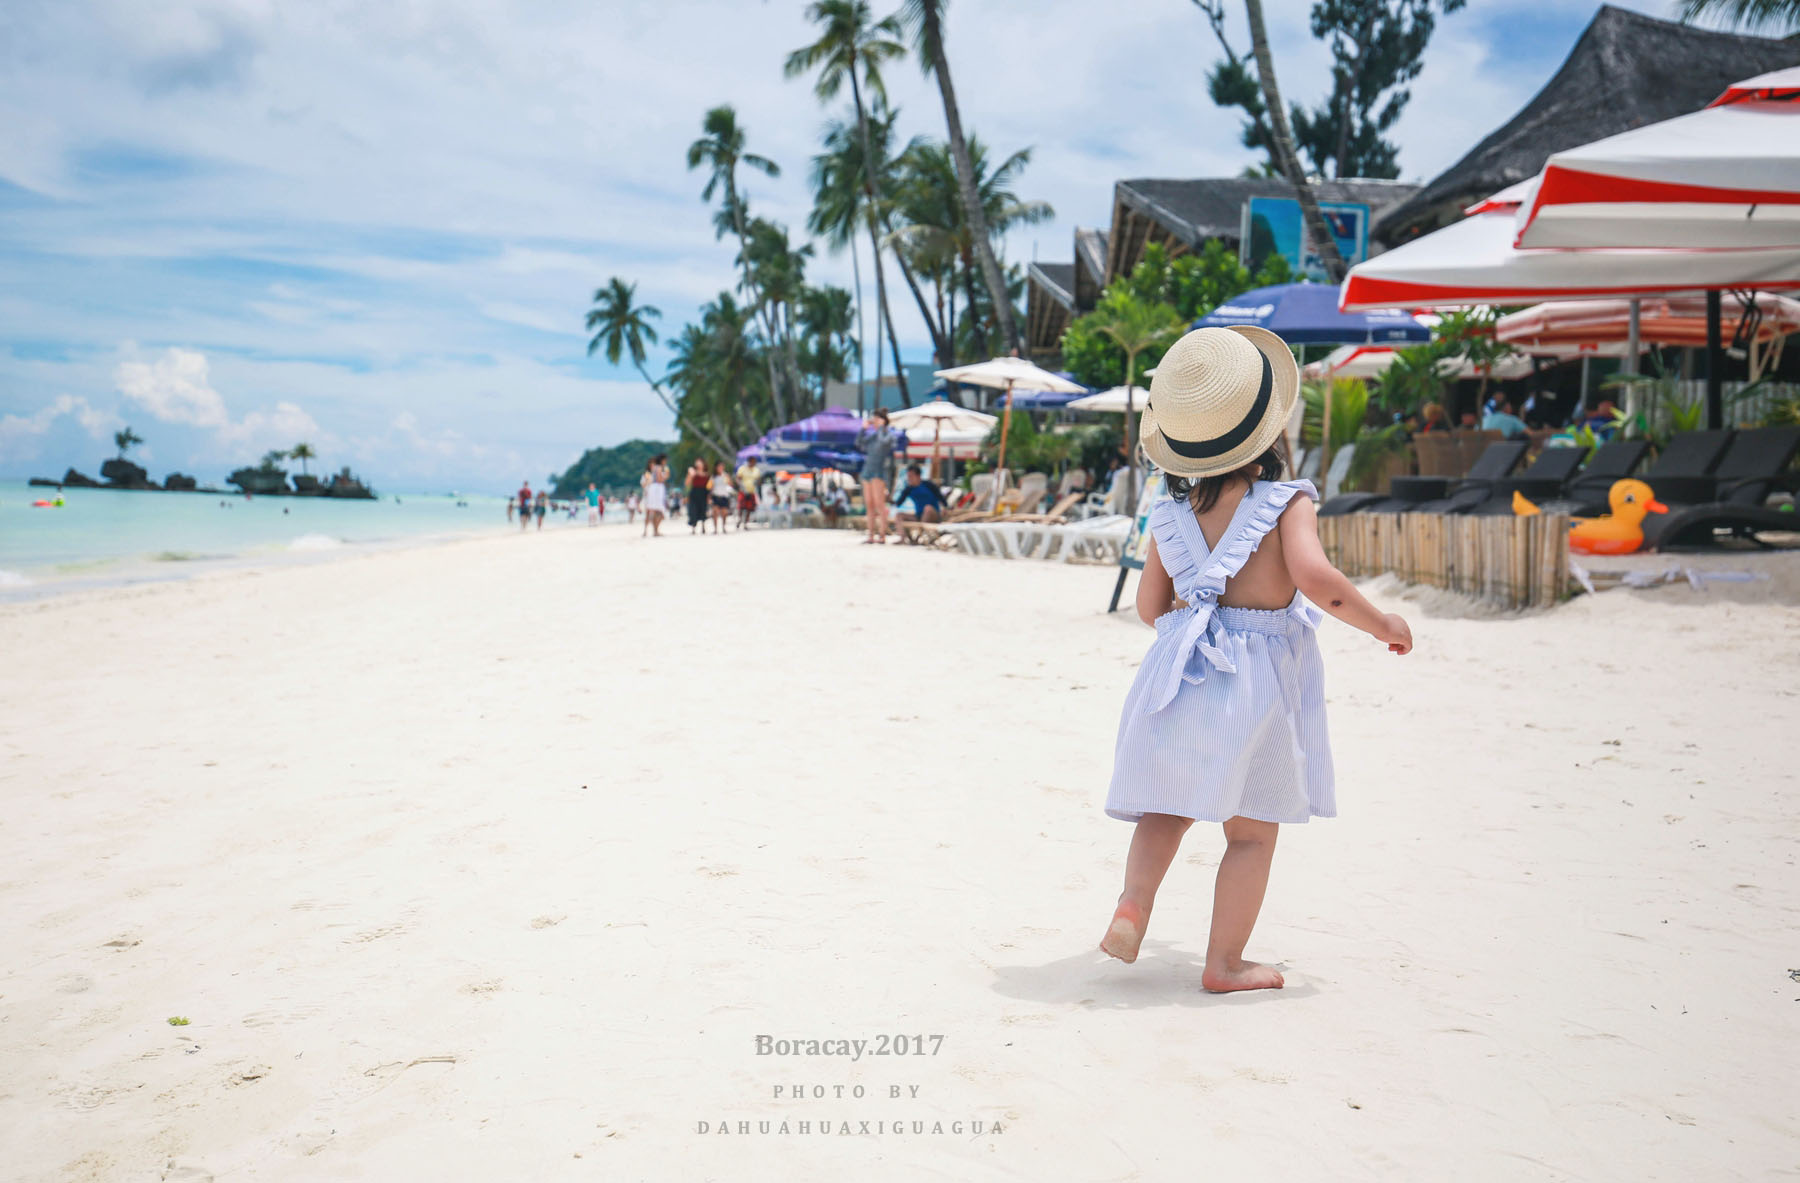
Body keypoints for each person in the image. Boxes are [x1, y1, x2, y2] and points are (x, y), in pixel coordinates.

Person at [1098, 326, 1413, 993]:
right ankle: (1224, 962)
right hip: (1254, 681)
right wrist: (1379, 620)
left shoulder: (1170, 511)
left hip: (1178, 673)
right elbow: (1316, 578)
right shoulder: (1284, 500)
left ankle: (1133, 903)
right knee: (1250, 833)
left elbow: (1151, 608)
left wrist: (1200, 610)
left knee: (1165, 808)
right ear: (1267, 430)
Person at [856, 407, 897, 544]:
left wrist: (880, 427)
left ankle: (882, 535)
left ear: (884, 420)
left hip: (879, 471)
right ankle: (871, 535)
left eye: (877, 418)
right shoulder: (872, 435)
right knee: (869, 504)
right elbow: (859, 443)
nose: (874, 421)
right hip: (867, 470)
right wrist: (863, 429)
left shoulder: (888, 434)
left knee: (879, 504)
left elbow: (883, 444)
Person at [640, 457, 667, 538]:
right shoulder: (646, 474)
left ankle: (655, 530)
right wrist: (648, 481)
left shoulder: (659, 473)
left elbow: (663, 481)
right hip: (648, 496)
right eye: (651, 464)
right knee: (648, 514)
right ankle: (646, 530)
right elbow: (643, 485)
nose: (653, 466)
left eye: (654, 464)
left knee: (659, 514)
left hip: (657, 496)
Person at [685, 459, 710, 534]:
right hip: (694, 493)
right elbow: (687, 483)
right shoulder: (692, 473)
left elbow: (709, 485)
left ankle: (703, 527)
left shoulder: (707, 474)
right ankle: (693, 528)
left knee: (703, 509)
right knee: (693, 510)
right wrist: (690, 475)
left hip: (704, 493)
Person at [735, 457, 761, 529]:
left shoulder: (756, 470)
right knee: (741, 507)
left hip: (751, 491)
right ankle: (739, 520)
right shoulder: (742, 469)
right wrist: (741, 486)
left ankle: (745, 523)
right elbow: (738, 478)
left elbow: (758, 479)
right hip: (743, 491)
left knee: (749, 508)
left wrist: (757, 482)